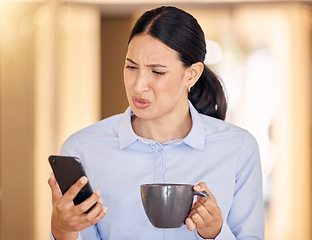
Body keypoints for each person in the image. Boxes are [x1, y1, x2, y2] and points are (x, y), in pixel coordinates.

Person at [48, 6, 264, 240]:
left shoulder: (238, 147)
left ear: (192, 74)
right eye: (132, 67)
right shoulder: (83, 149)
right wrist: (63, 229)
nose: (139, 85)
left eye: (157, 72)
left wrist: (216, 233)